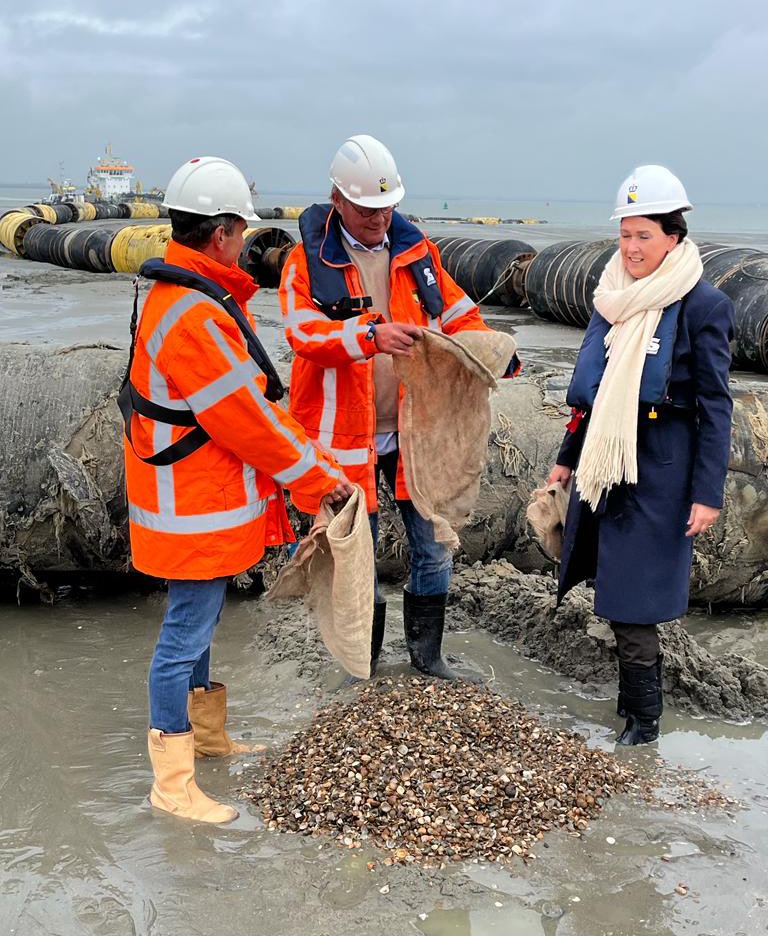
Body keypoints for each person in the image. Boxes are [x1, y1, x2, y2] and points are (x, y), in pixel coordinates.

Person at [121, 156, 351, 823]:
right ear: (222, 233)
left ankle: (210, 741)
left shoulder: (185, 297)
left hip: (192, 498)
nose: (245, 244)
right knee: (184, 634)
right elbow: (250, 424)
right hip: (190, 506)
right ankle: (172, 783)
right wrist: (319, 479)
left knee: (200, 625)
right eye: (240, 232)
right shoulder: (195, 316)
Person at [278, 135, 514, 680]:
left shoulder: (417, 252)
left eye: (387, 207)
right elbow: (302, 333)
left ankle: (428, 658)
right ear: (337, 201)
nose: (379, 218)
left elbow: (457, 313)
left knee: (433, 543)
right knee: (357, 553)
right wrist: (370, 335)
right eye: (366, 209)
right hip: (344, 436)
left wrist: (493, 352)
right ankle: (364, 662)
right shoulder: (306, 263)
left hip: (415, 431)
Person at [547, 165, 734, 745]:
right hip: (607, 465)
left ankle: (645, 724)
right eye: (625, 235)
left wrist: (707, 494)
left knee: (636, 603)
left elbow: (716, 407)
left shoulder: (704, 305)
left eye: (644, 236)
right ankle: (631, 709)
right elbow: (598, 391)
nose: (631, 248)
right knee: (613, 589)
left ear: (674, 236)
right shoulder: (612, 297)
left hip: (661, 473)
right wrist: (566, 455)